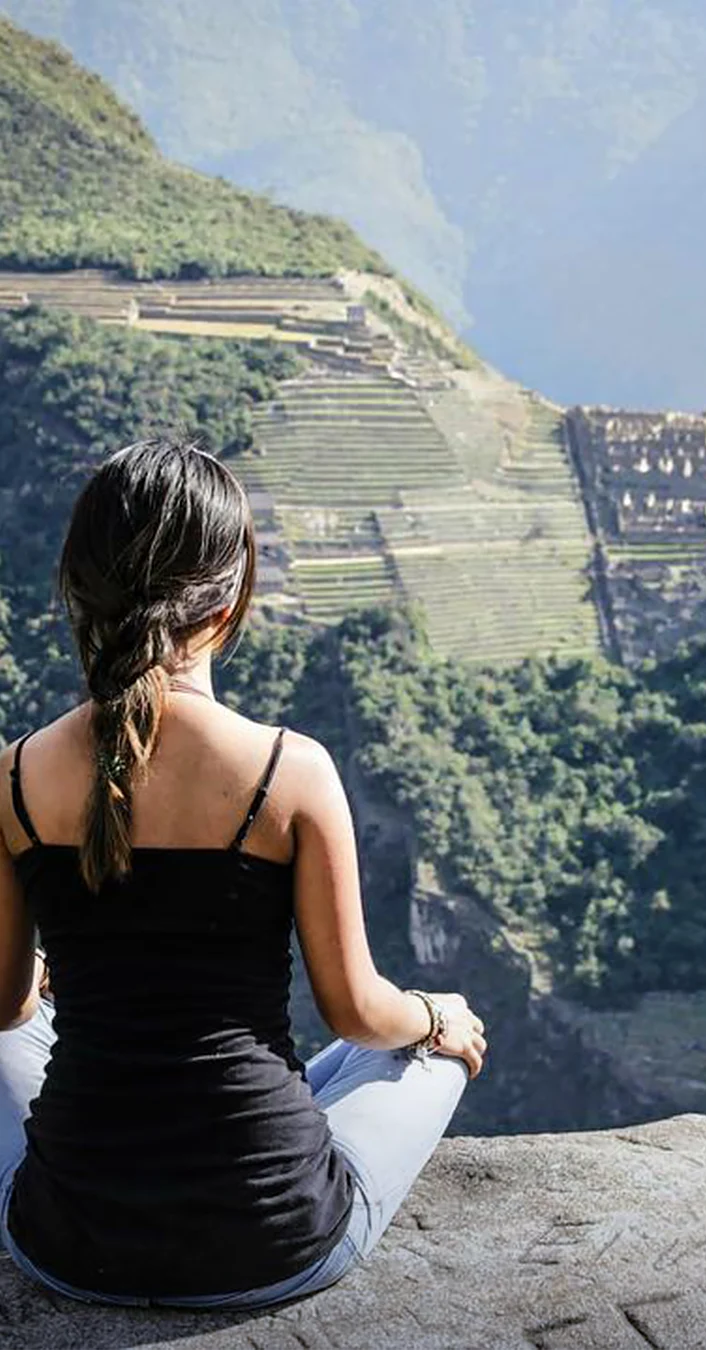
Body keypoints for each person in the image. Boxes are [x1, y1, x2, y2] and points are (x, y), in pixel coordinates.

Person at [0, 437, 487, 1310]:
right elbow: (357, 1010)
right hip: (271, 1242)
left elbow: (3, 1008)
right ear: (229, 609)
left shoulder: (12, 779)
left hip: (68, 1243)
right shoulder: (290, 772)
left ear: (79, 592)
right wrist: (436, 1016)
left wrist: (53, 975)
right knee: (427, 1050)